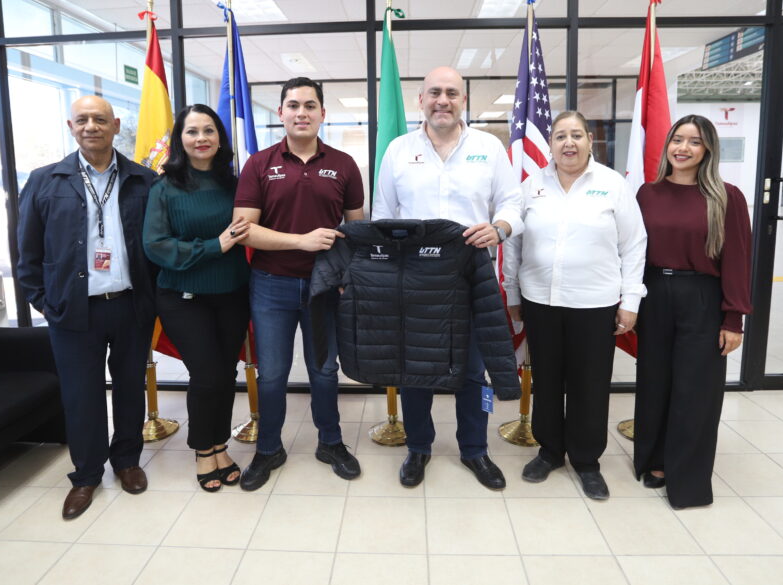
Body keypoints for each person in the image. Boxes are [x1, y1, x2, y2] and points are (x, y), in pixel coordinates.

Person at [373, 66, 523, 490]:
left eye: (452, 93)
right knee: (414, 370)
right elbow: (383, 214)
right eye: (434, 92)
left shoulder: (489, 148)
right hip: (413, 281)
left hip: (470, 279)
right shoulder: (399, 150)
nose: (443, 100)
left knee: (472, 371)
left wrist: (500, 229)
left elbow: (513, 203)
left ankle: (475, 450)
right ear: (420, 100)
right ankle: (418, 447)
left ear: (463, 101)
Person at [17, 95, 157, 519]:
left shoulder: (144, 181)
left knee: (131, 387)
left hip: (131, 304)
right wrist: (46, 303)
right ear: (70, 126)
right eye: (83, 120)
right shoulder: (45, 181)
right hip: (73, 310)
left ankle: (128, 461)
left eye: (100, 119)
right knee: (82, 396)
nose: (91, 126)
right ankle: (86, 475)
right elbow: (27, 253)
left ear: (116, 126)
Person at [502, 111, 646, 500]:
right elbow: (513, 246)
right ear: (550, 143)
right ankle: (549, 452)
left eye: (577, 135)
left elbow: (634, 245)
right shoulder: (532, 186)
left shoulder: (613, 185)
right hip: (541, 300)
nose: (569, 143)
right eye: (561, 135)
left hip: (594, 303)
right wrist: (513, 295)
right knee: (546, 380)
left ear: (589, 141)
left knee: (590, 385)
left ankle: (586, 461)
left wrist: (630, 300)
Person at [232, 76, 365, 491]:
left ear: (323, 113)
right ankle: (269, 448)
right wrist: (301, 241)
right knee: (272, 374)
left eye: (310, 105)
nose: (301, 112)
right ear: (281, 114)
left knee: (325, 371)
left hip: (325, 287)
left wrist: (346, 276)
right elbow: (243, 231)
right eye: (293, 105)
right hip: (271, 285)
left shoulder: (344, 164)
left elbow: (357, 230)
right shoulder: (259, 164)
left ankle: (331, 441)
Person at [633, 114, 752, 509]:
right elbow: (632, 252)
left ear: (708, 150)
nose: (683, 148)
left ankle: (688, 479)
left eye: (694, 142)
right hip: (654, 294)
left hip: (702, 296)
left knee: (695, 390)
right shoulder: (647, 194)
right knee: (655, 382)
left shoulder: (726, 196)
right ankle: (657, 460)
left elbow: (738, 259)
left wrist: (733, 318)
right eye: (677, 140)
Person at [142, 104, 250, 492]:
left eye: (209, 130)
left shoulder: (236, 185)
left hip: (233, 294)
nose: (201, 138)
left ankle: (220, 444)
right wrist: (214, 246)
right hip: (183, 297)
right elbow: (155, 246)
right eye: (192, 131)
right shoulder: (164, 187)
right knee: (205, 375)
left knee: (225, 373)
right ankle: (204, 450)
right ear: (180, 140)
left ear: (220, 137)